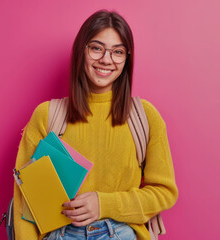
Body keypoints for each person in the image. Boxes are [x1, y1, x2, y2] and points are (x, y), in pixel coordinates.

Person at [13, 10, 178, 240]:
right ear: (82, 50)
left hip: (120, 233)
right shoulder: (47, 116)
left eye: (118, 52)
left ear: (126, 58)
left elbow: (164, 192)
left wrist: (103, 204)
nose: (106, 59)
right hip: (60, 234)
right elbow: (25, 201)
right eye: (97, 48)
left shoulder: (145, 117)